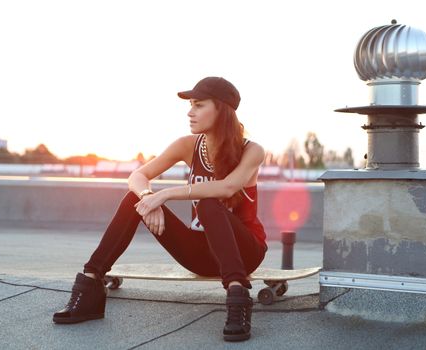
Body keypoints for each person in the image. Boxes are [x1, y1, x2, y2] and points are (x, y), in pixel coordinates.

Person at [53, 76, 267, 342]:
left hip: (245, 252)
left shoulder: (253, 150)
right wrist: (147, 198)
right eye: (190, 105)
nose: (190, 112)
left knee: (210, 204)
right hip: (200, 253)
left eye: (199, 105)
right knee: (134, 200)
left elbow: (226, 188)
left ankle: (237, 298)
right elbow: (137, 176)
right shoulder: (188, 145)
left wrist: (164, 195)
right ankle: (90, 285)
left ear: (221, 110)